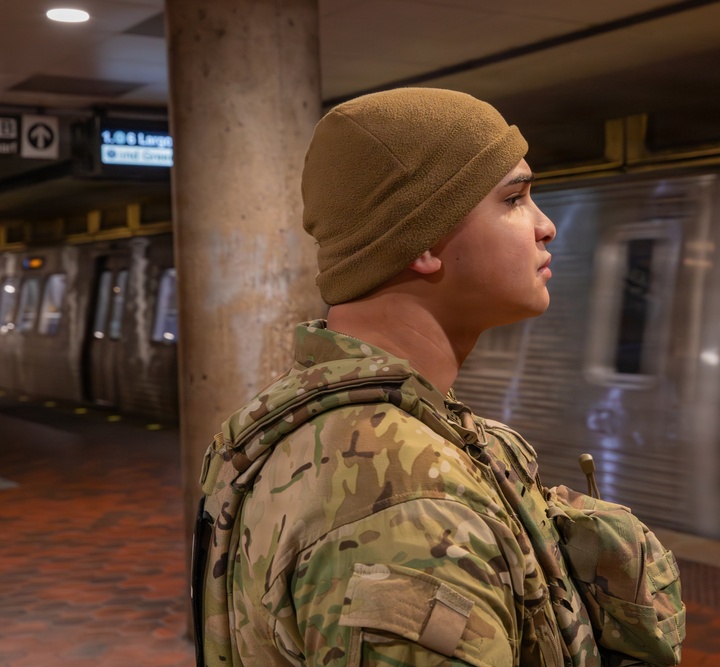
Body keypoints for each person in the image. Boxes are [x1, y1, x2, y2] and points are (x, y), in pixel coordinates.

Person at [193, 87, 684, 667]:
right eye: (515, 199)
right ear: (422, 238)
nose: (545, 226)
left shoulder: (291, 426)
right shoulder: (407, 505)